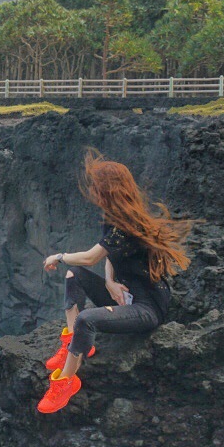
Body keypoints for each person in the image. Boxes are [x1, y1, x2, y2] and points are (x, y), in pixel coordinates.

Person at [36, 149, 196, 414]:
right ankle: (71, 345)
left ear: (109, 190)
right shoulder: (114, 220)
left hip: (146, 309)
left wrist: (59, 255)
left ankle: (66, 382)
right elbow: (109, 256)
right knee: (73, 275)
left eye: (98, 187)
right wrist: (109, 281)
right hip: (123, 295)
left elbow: (91, 257)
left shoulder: (127, 225)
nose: (94, 192)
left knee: (86, 318)